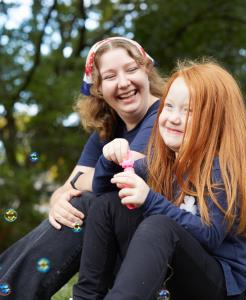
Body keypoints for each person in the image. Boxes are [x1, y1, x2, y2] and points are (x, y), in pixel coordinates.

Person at [73, 59, 246, 300]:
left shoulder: (222, 169)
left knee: (159, 226)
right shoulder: (162, 163)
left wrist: (149, 199)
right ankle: (86, 297)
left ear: (217, 121)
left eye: (189, 111)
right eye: (169, 106)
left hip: (224, 287)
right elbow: (103, 192)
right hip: (180, 279)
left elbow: (210, 236)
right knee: (107, 206)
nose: (173, 118)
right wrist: (108, 159)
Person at [0, 37, 165, 300]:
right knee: (77, 204)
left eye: (131, 69)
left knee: (87, 204)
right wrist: (58, 202)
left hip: (159, 251)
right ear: (98, 89)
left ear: (147, 70)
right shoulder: (106, 131)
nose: (123, 83)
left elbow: (120, 176)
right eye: (110, 76)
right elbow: (66, 189)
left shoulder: (164, 116)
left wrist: (76, 189)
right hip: (121, 250)